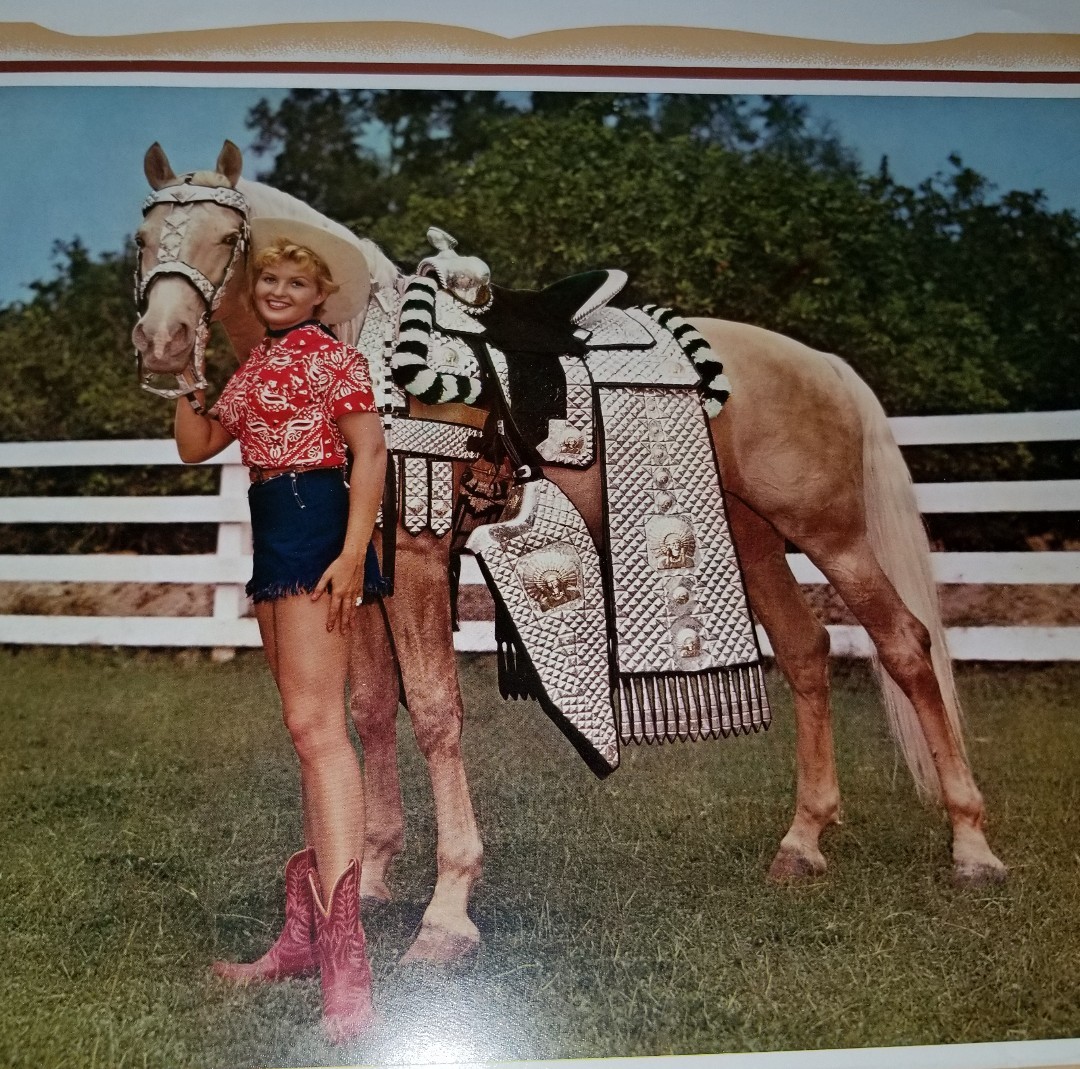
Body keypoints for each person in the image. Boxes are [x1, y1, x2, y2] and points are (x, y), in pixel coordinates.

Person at [172, 218, 387, 1043]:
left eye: (295, 284)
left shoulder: (338, 359)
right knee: (306, 731)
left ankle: (346, 961)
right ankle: (302, 936)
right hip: (273, 516)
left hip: (316, 515)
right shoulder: (256, 364)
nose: (278, 293)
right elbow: (200, 445)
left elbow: (369, 453)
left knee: (319, 729)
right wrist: (182, 377)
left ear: (321, 295)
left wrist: (352, 550)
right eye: (268, 283)